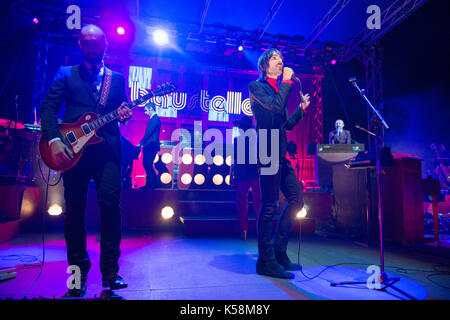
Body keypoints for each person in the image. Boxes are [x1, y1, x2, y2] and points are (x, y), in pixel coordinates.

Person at [40, 25, 132, 297]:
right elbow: (48, 107)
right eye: (86, 43)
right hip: (72, 152)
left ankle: (111, 273)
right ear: (80, 45)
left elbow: (122, 109)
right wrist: (55, 140)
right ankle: (76, 276)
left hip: (108, 153)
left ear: (106, 45)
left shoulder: (116, 79)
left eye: (97, 43)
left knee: (111, 207)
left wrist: (124, 115)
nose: (92, 48)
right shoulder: (66, 73)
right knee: (74, 210)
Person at [249, 48, 311, 279]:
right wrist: (286, 82)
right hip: (267, 151)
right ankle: (265, 261)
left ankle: (279, 251)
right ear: (264, 66)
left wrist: (301, 110)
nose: (280, 62)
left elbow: (286, 125)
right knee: (269, 206)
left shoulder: (278, 91)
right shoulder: (257, 88)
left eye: (282, 60)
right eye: (275, 59)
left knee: (296, 200)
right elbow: (274, 108)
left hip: (282, 154)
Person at [230, 116, 261, 241]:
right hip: (255, 173)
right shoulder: (257, 139)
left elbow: (234, 159)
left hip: (241, 173)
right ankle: (260, 230)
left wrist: (230, 174)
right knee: (258, 202)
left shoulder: (237, 140)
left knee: (242, 203)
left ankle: (244, 230)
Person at [137, 102, 161, 189]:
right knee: (147, 164)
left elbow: (149, 132)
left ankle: (153, 184)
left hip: (151, 145)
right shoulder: (154, 119)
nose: (145, 112)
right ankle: (151, 184)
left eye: (146, 110)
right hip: (151, 145)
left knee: (147, 164)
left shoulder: (155, 119)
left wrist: (141, 142)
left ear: (151, 109)